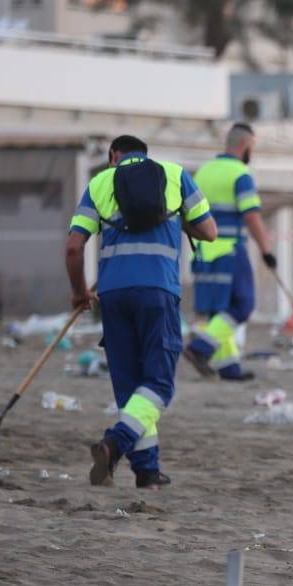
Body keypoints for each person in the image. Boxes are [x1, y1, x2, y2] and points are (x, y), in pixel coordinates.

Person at [65, 134, 215, 488]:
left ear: (113, 155)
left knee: (131, 387)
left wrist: (78, 292)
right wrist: (177, 220)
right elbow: (209, 232)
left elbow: (74, 248)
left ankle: (147, 471)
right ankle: (114, 444)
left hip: (113, 295)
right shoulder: (175, 175)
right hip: (158, 291)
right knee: (159, 384)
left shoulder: (100, 181)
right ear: (146, 155)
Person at [184, 123, 275, 381]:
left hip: (203, 251)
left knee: (217, 312)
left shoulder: (203, 172)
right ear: (246, 145)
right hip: (229, 250)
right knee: (242, 304)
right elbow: (252, 216)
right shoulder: (240, 173)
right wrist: (267, 251)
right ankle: (199, 348)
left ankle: (228, 367)